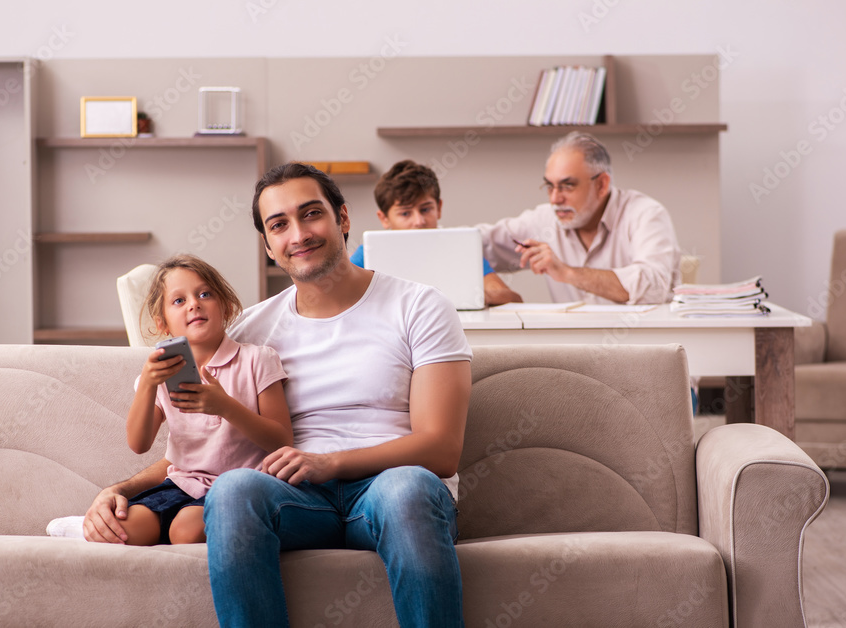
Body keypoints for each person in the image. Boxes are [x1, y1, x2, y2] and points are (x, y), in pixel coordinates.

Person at [84, 163, 472, 628]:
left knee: (407, 487)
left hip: (389, 489)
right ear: (269, 246)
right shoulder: (251, 330)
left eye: (312, 214)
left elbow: (442, 450)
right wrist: (120, 489)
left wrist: (329, 463)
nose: (299, 234)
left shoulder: (420, 306)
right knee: (233, 488)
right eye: (279, 225)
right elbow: (202, 443)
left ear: (343, 218)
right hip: (297, 498)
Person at [120, 254, 293, 546]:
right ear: (162, 323)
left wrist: (226, 407)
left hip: (237, 489)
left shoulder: (257, 360)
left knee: (185, 531)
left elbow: (282, 440)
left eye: (204, 294)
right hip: (181, 484)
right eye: (179, 301)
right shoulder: (162, 374)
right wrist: (148, 384)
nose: (193, 304)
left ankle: (177, 527)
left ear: (225, 306)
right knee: (126, 529)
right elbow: (139, 444)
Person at [477, 131, 681, 304]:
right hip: (573, 348)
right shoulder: (544, 220)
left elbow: (654, 287)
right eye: (550, 186)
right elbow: (477, 243)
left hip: (644, 344)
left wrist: (567, 272)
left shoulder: (645, 214)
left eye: (568, 185)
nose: (555, 198)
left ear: (601, 184)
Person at [350, 159, 523, 306]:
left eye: (425, 209)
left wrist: (471, 296)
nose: (419, 221)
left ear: (439, 208)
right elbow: (331, 298)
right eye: (405, 213)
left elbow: (513, 299)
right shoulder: (367, 254)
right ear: (384, 218)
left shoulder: (460, 249)